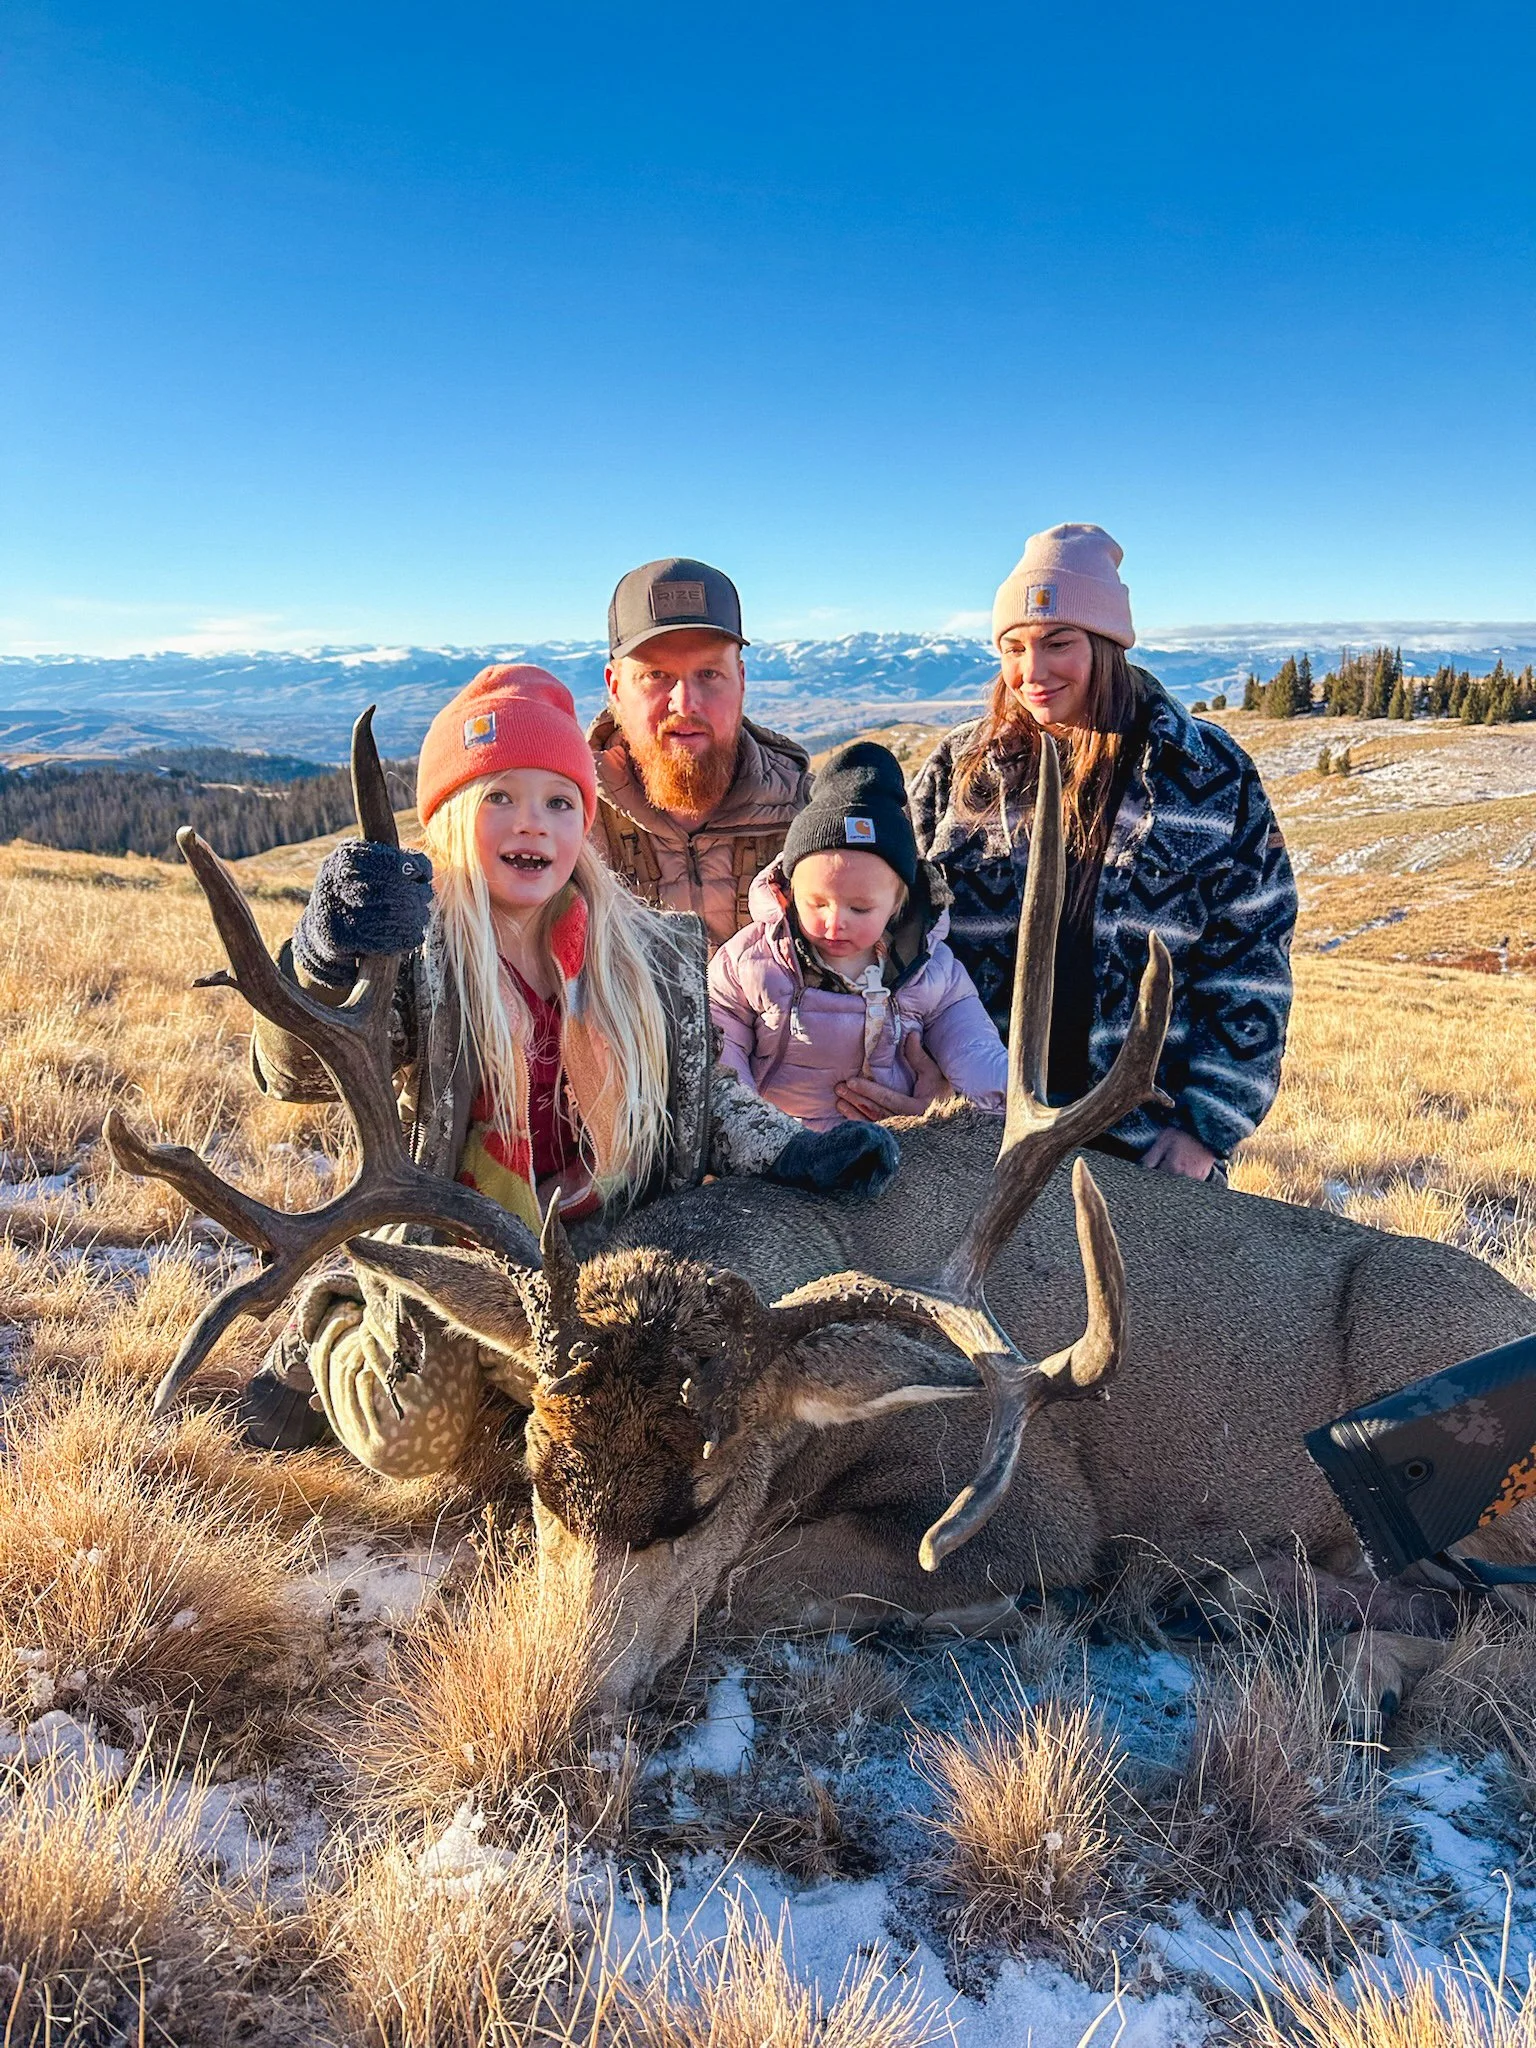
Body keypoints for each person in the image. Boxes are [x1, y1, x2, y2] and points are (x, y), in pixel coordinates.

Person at [237, 665, 897, 1465]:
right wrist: (326, 960)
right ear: (450, 817)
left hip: (612, 1248)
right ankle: (333, 1320)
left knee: (659, 1412)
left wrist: (794, 1150)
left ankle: (504, 1381)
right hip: (461, 1254)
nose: (534, 824)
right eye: (500, 797)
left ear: (585, 820)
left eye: (559, 801)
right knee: (409, 1435)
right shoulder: (415, 958)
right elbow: (298, 1075)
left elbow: (698, 1097)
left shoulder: (646, 957)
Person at [907, 523, 1297, 1182]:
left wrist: (1205, 1126)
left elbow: (1252, 960)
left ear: (1108, 643)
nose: (1033, 672)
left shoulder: (1210, 774)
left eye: (1058, 642)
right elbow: (901, 931)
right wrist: (908, 1061)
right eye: (1013, 648)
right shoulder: (960, 769)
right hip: (972, 1128)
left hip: (1143, 1148)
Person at [709, 742, 1007, 1131]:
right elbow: (722, 1028)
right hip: (782, 1141)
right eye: (817, 903)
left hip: (897, 1138)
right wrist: (742, 1116)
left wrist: (997, 1093)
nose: (835, 923)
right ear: (790, 891)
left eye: (860, 909)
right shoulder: (752, 960)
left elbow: (968, 1038)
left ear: (897, 905)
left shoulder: (928, 970)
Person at [588, 557, 813, 953]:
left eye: (709, 673)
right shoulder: (568, 823)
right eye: (656, 675)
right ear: (616, 687)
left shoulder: (811, 817)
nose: (685, 703)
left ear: (740, 681)